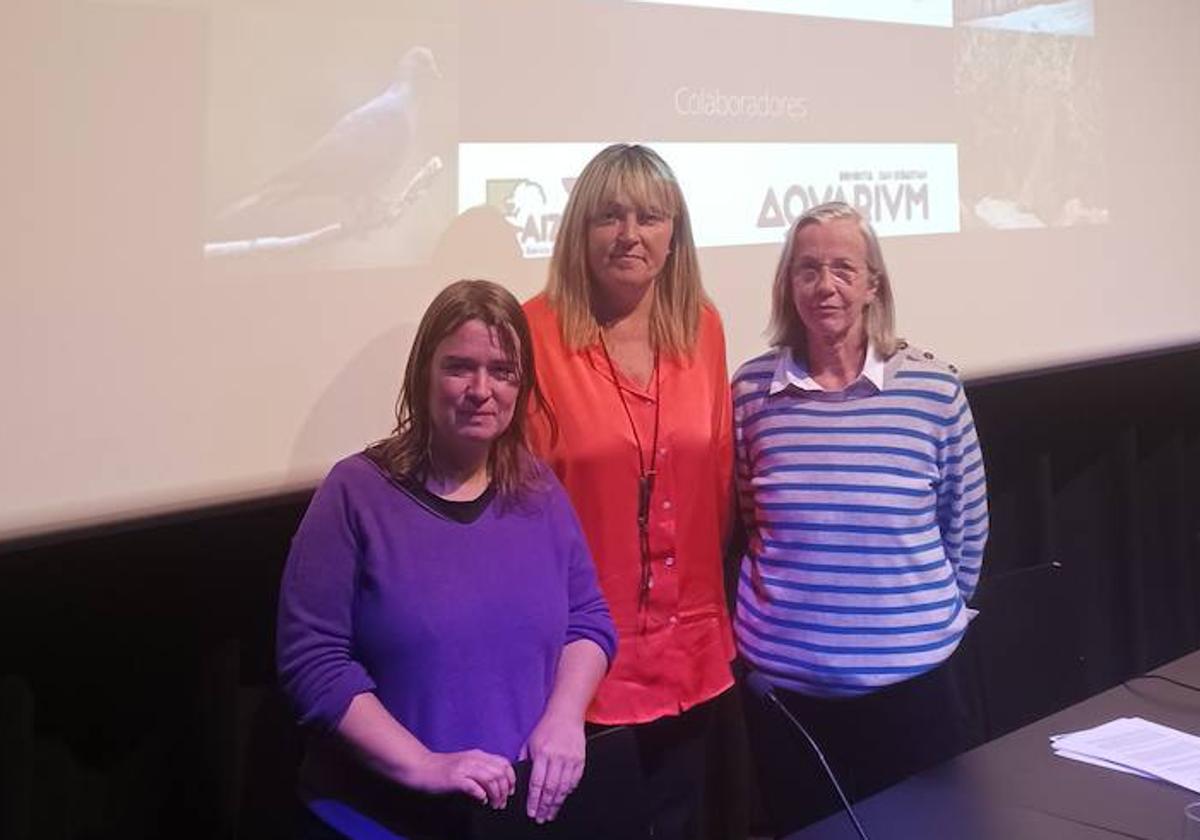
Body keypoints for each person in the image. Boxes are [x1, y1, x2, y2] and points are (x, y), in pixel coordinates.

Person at [276, 279, 617, 839]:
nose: (481, 389)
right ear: (423, 375)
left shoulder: (539, 491)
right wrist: (423, 765)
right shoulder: (356, 492)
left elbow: (588, 620)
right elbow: (313, 663)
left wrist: (564, 718)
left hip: (510, 817)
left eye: (502, 371)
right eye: (460, 366)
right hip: (379, 820)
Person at [732, 202, 989, 835]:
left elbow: (968, 527)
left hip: (916, 697)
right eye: (808, 269)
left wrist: (914, 626)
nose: (826, 286)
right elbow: (749, 521)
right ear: (788, 285)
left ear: (873, 283)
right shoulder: (751, 392)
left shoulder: (934, 391)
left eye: (845, 268)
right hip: (789, 707)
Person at [523, 143, 735, 840]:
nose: (629, 234)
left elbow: (721, 478)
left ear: (675, 234)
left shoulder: (702, 328)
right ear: (579, 230)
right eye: (608, 216)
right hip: (577, 665)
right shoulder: (533, 334)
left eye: (650, 216)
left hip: (690, 654)